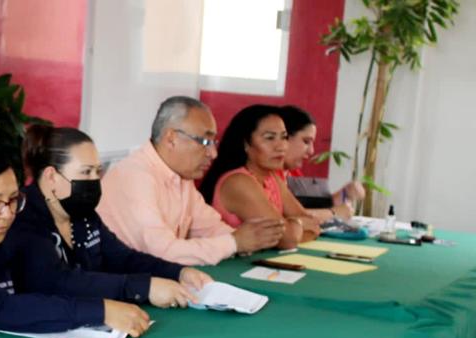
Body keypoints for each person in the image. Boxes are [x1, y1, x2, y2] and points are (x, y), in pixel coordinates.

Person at [0, 142, 153, 338]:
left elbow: (54, 282)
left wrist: (139, 288)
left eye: (13, 200)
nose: (7, 214)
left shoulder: (9, 233)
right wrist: (101, 311)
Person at [17, 124, 212, 308]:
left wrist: (178, 272)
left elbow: (123, 258)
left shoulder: (82, 213)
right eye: (86, 172)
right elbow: (58, 282)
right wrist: (144, 288)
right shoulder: (24, 217)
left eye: (98, 171)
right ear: (51, 177)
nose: (94, 180)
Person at [98, 96, 285, 265]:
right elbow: (161, 252)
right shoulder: (135, 176)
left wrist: (246, 239)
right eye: (204, 142)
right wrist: (235, 243)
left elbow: (209, 227)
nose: (213, 153)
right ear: (171, 138)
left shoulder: (182, 177)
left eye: (213, 143)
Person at [200, 104, 321, 250]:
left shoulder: (272, 177)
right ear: (246, 144)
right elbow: (287, 239)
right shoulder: (238, 182)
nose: (281, 147)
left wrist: (292, 227)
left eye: (284, 137)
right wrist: (298, 224)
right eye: (270, 138)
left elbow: (313, 225)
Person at [278, 104, 362, 221]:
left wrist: (344, 193)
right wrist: (333, 213)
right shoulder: (263, 177)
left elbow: (309, 209)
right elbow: (285, 218)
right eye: (306, 141)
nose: (311, 151)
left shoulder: (293, 174)